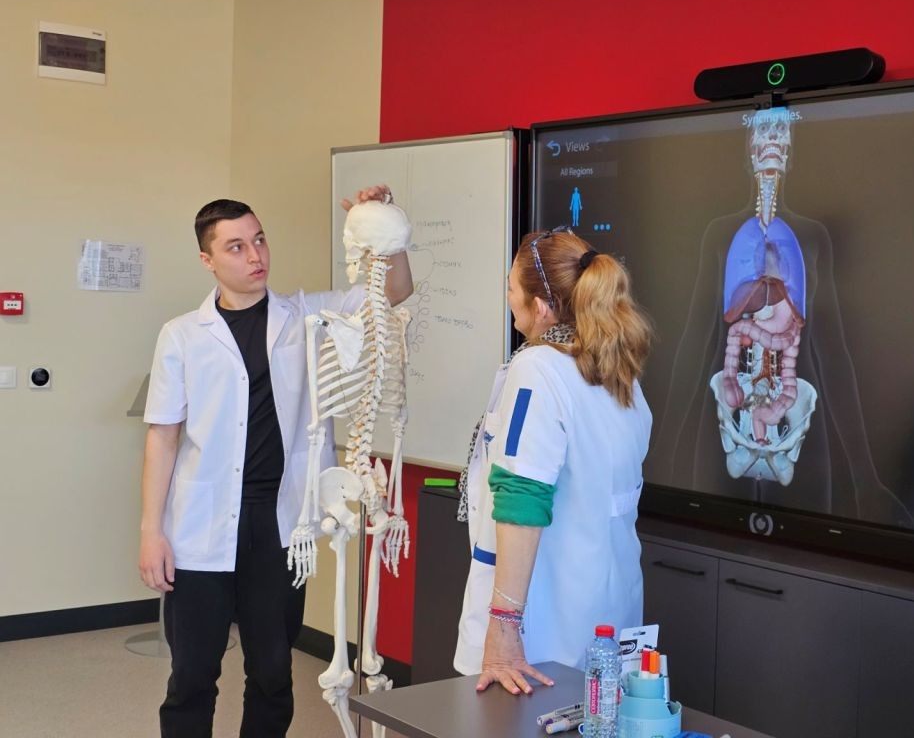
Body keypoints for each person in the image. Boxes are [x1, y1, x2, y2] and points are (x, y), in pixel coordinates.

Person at [138, 186, 412, 738]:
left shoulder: (308, 315)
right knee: (192, 673)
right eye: (236, 247)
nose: (255, 255)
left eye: (259, 240)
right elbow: (163, 437)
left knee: (271, 671)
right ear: (207, 259)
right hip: (199, 523)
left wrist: (383, 223)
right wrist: (151, 530)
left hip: (281, 523)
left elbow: (394, 293)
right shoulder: (182, 336)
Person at [453, 228, 653, 696]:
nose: (508, 297)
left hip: (542, 626)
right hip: (605, 609)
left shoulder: (537, 369)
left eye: (511, 287)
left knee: (513, 722)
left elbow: (522, 497)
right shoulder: (617, 370)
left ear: (541, 307)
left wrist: (503, 628)